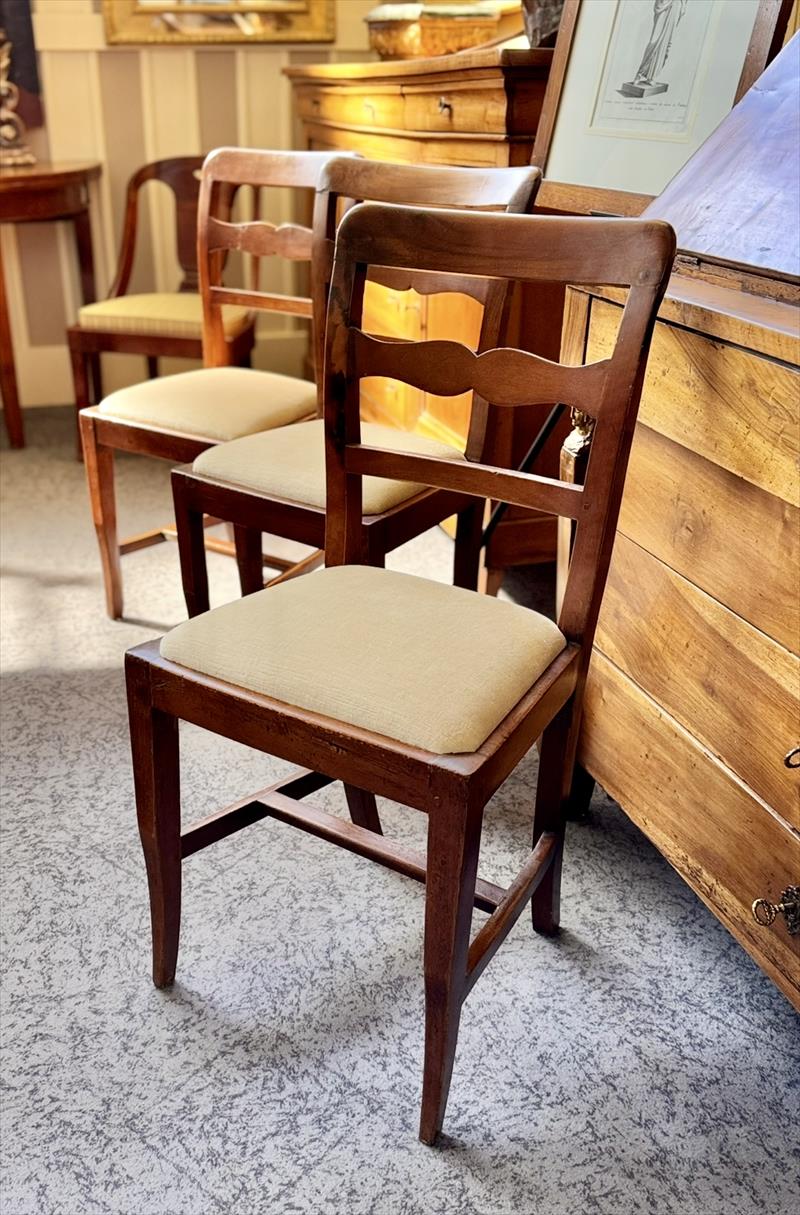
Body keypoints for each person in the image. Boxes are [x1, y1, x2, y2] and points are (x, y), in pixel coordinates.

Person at [633, 0, 687, 86]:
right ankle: (639, 73)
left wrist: (683, 5)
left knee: (666, 42)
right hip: (663, 4)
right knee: (654, 41)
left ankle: (651, 76)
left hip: (675, 6)